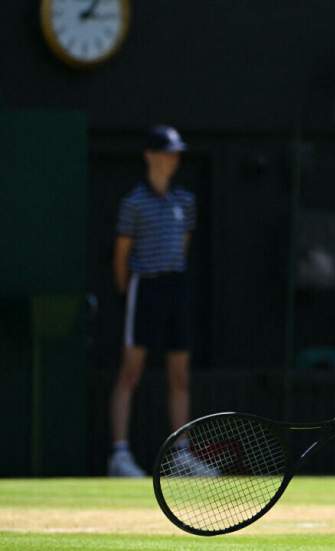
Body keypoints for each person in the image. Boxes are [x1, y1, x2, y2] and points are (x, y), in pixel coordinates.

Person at [107, 125, 205, 477]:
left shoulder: (185, 202)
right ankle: (119, 455)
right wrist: (128, 293)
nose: (171, 159)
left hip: (175, 289)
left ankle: (180, 455)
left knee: (179, 374)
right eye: (166, 152)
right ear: (149, 155)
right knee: (130, 371)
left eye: (176, 153)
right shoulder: (133, 203)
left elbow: (183, 247)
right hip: (143, 288)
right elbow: (121, 255)